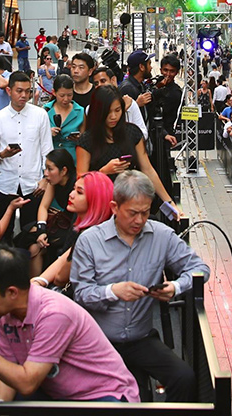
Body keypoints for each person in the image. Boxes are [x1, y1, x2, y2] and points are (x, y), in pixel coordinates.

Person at [70, 171, 209, 402]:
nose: (139, 221)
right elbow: (81, 294)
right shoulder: (90, 241)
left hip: (141, 338)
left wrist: (175, 287)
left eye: (145, 213)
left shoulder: (161, 235)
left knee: (184, 378)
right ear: (114, 207)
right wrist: (112, 291)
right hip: (99, 341)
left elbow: (200, 269)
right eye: (133, 213)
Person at [0, 245, 139, 402]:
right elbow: (6, 375)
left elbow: (26, 383)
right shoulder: (4, 313)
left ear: (12, 293)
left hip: (101, 396)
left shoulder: (54, 314)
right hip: (56, 394)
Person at [0, 71, 51, 237]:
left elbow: (47, 150)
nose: (24, 95)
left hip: (33, 184)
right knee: (4, 233)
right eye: (19, 91)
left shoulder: (40, 115)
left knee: (31, 233)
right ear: (9, 91)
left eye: (28, 91)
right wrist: (3, 154)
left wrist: (45, 179)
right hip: (6, 184)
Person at [46, 74, 85, 158]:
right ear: (54, 92)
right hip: (51, 158)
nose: (66, 99)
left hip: (73, 159)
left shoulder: (80, 111)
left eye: (70, 95)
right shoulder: (45, 111)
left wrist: (79, 138)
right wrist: (47, 133)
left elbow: (86, 139)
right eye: (62, 95)